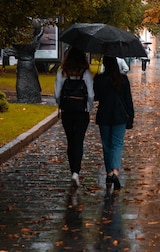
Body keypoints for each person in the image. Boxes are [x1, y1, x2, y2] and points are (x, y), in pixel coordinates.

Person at [55, 47, 94, 188]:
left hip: (67, 111)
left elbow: (57, 94)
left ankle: (73, 170)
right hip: (82, 112)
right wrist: (89, 107)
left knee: (70, 141)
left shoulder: (62, 73)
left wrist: (62, 105)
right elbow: (90, 95)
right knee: (79, 140)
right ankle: (76, 172)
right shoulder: (86, 73)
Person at [94, 55, 134, 190]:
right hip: (120, 116)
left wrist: (97, 80)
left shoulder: (100, 79)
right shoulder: (123, 79)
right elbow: (128, 100)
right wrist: (131, 117)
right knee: (117, 144)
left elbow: (96, 97)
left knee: (106, 144)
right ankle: (115, 172)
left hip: (104, 115)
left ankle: (109, 172)